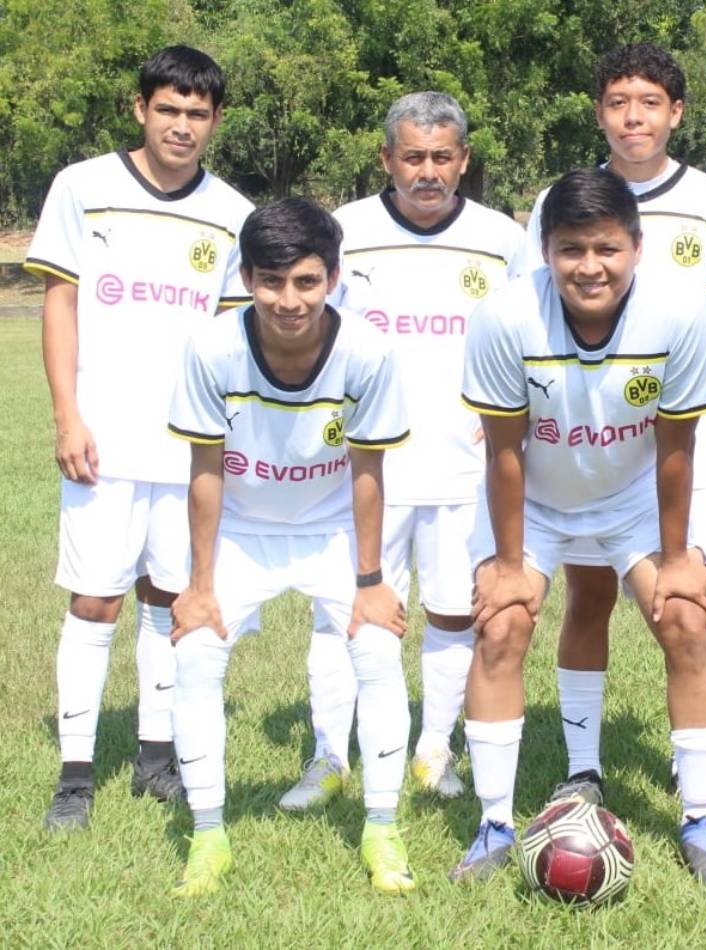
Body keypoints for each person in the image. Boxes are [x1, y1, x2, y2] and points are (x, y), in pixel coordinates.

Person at [454, 167, 706, 885]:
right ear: (545, 250)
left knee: (686, 620)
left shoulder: (681, 315)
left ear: (637, 247)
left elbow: (677, 448)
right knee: (501, 626)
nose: (590, 267)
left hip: (635, 495)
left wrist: (677, 557)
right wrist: (510, 565)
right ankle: (493, 826)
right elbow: (504, 451)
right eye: (571, 249)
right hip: (536, 497)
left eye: (607, 248)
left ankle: (699, 819)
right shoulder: (504, 316)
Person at [24, 46, 254, 832]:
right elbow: (60, 304)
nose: (181, 126)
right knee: (96, 599)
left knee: (169, 596)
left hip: (190, 448)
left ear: (215, 121)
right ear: (140, 109)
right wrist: (68, 415)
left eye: (197, 114)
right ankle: (75, 776)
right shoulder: (82, 187)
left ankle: (158, 759)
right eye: (168, 110)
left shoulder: (233, 212)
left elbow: (230, 340)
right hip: (103, 438)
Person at [524, 44, 706, 812]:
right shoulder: (561, 198)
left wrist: (670, 396)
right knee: (588, 597)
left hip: (678, 429)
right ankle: (583, 766)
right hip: (585, 432)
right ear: (599, 113)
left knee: (684, 605)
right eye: (619, 102)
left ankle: (694, 777)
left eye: (650, 102)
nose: (634, 117)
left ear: (676, 112)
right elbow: (536, 308)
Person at [277, 91, 527, 811]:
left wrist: (510, 417)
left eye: (442, 157)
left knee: (453, 612)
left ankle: (434, 750)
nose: (427, 172)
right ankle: (329, 755)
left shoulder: (500, 239)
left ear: (464, 160)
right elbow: (308, 333)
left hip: (464, 465)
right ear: (386, 158)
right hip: (364, 466)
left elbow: (528, 336)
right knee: (345, 611)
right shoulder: (345, 232)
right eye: (413, 157)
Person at [166, 198, 416, 896]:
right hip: (243, 532)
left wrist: (370, 579)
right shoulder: (211, 347)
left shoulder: (368, 350)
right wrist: (200, 584)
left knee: (377, 648)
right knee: (195, 652)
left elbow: (368, 471)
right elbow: (205, 469)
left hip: (332, 529)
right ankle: (207, 836)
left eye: (306, 281)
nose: (289, 300)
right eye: (271, 282)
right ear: (246, 277)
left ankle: (382, 828)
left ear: (333, 277)